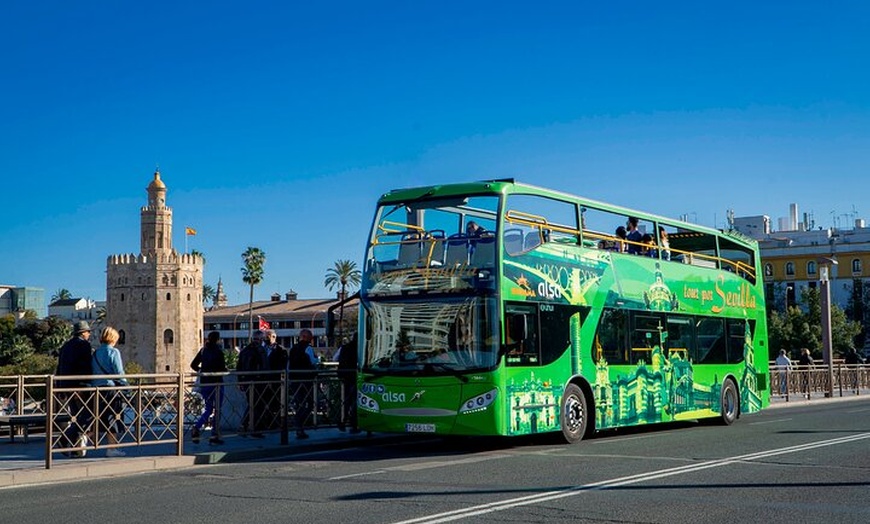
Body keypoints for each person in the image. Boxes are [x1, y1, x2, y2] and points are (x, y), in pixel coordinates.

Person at [56, 320, 95, 457]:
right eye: (88, 332)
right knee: (88, 415)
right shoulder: (83, 345)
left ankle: (75, 448)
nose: (89, 334)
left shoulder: (65, 346)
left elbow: (59, 367)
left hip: (66, 385)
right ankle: (65, 439)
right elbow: (85, 366)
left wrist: (59, 386)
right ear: (83, 333)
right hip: (80, 385)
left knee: (77, 416)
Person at [91, 326, 129, 457]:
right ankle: (111, 448)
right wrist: (126, 385)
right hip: (110, 388)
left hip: (97, 389)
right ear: (113, 338)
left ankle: (82, 438)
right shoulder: (114, 352)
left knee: (98, 416)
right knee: (113, 417)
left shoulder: (95, 353)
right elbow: (119, 372)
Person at [190, 331, 227, 445]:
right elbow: (222, 368)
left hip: (205, 383)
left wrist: (202, 371)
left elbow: (193, 365)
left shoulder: (203, 350)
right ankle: (214, 435)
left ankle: (197, 427)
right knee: (218, 409)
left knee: (208, 409)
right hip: (216, 383)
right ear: (218, 339)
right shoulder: (219, 352)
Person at [287, 329, 318, 439]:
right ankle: (299, 424)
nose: (311, 339)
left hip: (295, 380)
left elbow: (289, 364)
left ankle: (298, 425)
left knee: (299, 403)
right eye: (310, 337)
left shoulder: (293, 349)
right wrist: (317, 359)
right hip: (306, 379)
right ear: (306, 337)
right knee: (310, 404)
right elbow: (313, 361)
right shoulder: (308, 348)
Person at [237, 330, 268, 437]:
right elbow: (264, 366)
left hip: (246, 381)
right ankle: (254, 429)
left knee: (252, 404)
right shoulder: (260, 350)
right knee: (258, 405)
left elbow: (239, 367)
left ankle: (245, 426)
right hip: (258, 381)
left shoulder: (245, 350)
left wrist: (240, 381)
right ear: (260, 339)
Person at [336, 334, 360, 433]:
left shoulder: (344, 347)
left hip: (344, 376)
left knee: (346, 401)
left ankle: (342, 420)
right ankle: (353, 424)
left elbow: (335, 358)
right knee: (355, 401)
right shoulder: (360, 348)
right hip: (355, 377)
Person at [265, 329, 288, 430]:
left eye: (267, 337)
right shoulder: (262, 349)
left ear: (274, 337)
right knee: (264, 403)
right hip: (264, 380)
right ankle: (266, 423)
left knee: (276, 403)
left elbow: (283, 365)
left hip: (276, 381)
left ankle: (277, 424)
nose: (266, 339)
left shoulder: (281, 350)